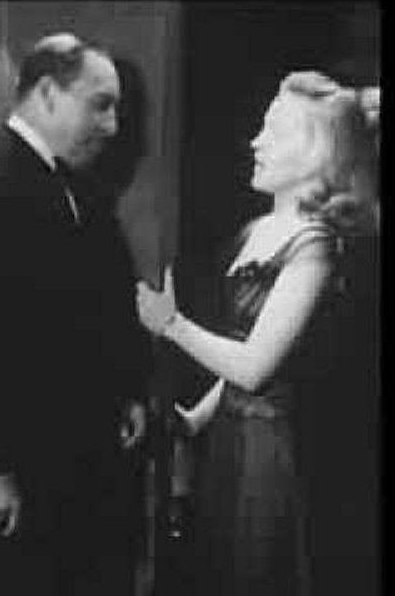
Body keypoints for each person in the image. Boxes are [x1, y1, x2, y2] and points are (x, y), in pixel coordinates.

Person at [0, 33, 151, 596]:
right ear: (46, 93)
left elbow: (100, 308)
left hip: (70, 469)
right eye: (100, 105)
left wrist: (128, 392)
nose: (112, 126)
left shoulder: (80, 188)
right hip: (1, 477)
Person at [135, 70, 379, 595]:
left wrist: (171, 324)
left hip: (271, 452)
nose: (256, 142)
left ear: (315, 151)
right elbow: (242, 355)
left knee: (254, 571)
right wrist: (196, 420)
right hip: (230, 439)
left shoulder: (314, 245)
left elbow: (256, 367)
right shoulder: (257, 230)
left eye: (274, 131)